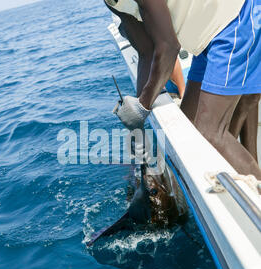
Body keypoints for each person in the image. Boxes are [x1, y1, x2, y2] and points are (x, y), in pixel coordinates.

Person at [105, 0, 261, 179]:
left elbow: (169, 47)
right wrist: (137, 123)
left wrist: (143, 105)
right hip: (206, 40)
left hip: (235, 22)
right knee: (186, 127)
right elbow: (147, 52)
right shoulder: (111, 2)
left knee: (209, 133)